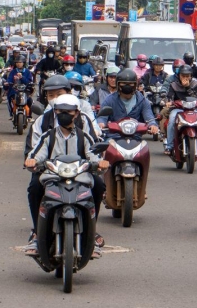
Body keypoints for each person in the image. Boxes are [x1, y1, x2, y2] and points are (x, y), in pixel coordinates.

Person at [24, 94, 107, 255]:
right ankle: (37, 233)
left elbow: (94, 155)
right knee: (34, 188)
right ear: (55, 112)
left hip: (80, 177)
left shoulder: (84, 136)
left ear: (76, 113)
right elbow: (36, 154)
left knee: (98, 186)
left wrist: (101, 163)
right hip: (52, 176)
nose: (64, 114)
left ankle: (91, 232)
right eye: (61, 111)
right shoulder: (48, 136)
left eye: (69, 112)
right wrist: (32, 161)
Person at [96, 68, 158, 134]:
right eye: (123, 83)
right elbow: (102, 117)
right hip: (114, 137)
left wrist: (152, 125)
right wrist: (101, 123)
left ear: (135, 85)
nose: (127, 86)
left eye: (130, 84)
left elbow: (149, 116)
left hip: (135, 138)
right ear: (118, 85)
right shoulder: (109, 100)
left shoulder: (142, 101)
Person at [163, 63, 197, 155]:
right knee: (172, 119)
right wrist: (168, 102)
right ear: (178, 76)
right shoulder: (173, 85)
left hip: (192, 109)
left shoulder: (195, 84)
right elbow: (169, 97)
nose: (185, 78)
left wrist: (187, 87)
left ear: (191, 76)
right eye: (183, 76)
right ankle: (169, 146)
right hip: (178, 109)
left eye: (187, 76)